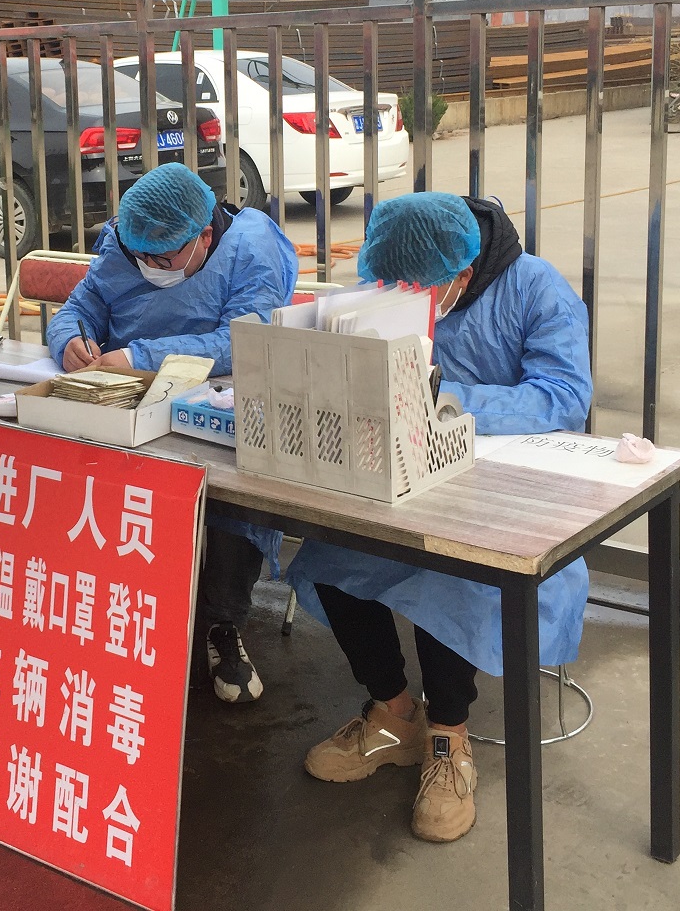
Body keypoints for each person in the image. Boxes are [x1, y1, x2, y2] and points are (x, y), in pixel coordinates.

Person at [287, 191, 592, 844]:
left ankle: (449, 738)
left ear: (463, 270)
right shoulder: (392, 283)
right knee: (333, 554)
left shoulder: (537, 290)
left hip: (504, 491)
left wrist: (444, 397)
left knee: (449, 573)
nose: (403, 299)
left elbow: (564, 398)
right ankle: (395, 714)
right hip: (404, 474)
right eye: (391, 286)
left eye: (418, 289)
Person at [48, 163, 299, 704]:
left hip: (218, 409)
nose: (148, 268)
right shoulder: (126, 241)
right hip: (127, 403)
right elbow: (81, 306)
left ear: (204, 237)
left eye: (162, 260)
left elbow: (246, 340)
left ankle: (222, 625)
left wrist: (139, 356)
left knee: (234, 500)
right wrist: (68, 340)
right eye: (140, 257)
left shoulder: (251, 246)